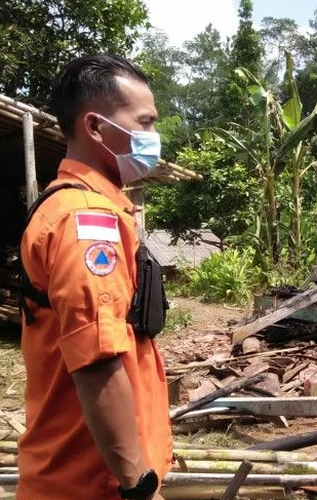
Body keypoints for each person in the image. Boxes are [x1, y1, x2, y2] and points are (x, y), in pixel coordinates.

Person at [17, 55, 171, 500]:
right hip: (91, 483)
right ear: (97, 127)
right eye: (145, 123)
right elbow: (98, 361)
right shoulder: (86, 220)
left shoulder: (88, 208)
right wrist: (137, 484)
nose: (153, 137)